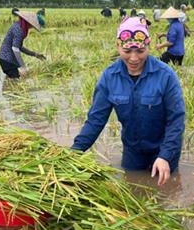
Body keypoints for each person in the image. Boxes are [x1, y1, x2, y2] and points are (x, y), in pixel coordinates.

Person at [71, 17, 185, 187]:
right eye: (127, 51)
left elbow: (176, 120)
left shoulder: (166, 76)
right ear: (118, 47)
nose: (133, 58)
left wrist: (165, 156)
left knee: (164, 193)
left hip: (163, 149)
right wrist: (74, 152)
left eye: (140, 51)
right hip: (133, 150)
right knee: (132, 188)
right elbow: (96, 120)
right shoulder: (109, 77)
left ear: (148, 46)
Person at [0, 10, 46, 78]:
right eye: (33, 26)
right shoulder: (19, 30)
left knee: (11, 81)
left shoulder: (18, 25)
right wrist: (23, 66)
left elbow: (19, 46)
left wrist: (35, 54)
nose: (32, 28)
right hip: (7, 60)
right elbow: (15, 49)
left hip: (5, 59)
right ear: (29, 23)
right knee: (15, 82)